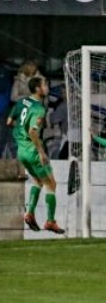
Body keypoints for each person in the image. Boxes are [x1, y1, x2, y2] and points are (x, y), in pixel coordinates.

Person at [9, 77, 64, 234]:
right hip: (33, 151)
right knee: (51, 184)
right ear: (38, 89)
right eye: (45, 85)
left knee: (39, 181)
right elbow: (32, 131)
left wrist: (21, 135)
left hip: (22, 151)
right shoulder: (39, 108)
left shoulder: (22, 102)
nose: (47, 88)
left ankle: (30, 212)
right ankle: (50, 221)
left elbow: (9, 121)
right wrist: (41, 152)